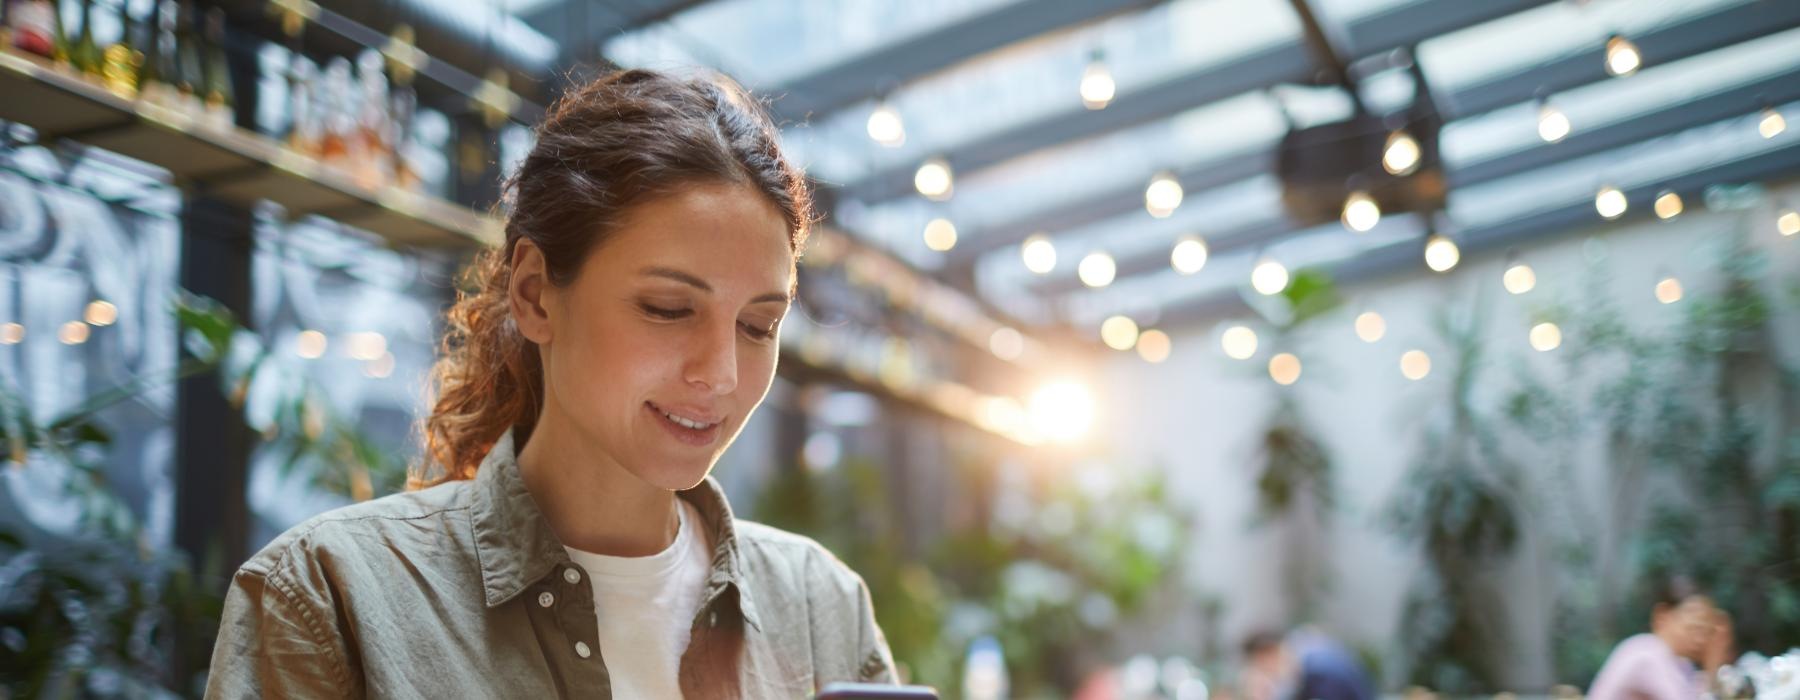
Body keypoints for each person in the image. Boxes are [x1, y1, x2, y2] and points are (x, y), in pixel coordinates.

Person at [205, 68, 897, 698]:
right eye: (668, 309)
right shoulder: (334, 597)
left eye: (758, 326)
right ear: (536, 294)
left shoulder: (819, 606)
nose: (719, 374)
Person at [1587, 576, 1731, 700]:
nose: (1699, 639)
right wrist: (1713, 664)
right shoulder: (1647, 654)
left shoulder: (1682, 665)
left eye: (1705, 632)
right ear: (1662, 616)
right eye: (1692, 628)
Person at [1241, 627, 1375, 700]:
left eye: (1261, 667)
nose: (1268, 675)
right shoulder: (1305, 655)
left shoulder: (1321, 672)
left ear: (1268, 654)